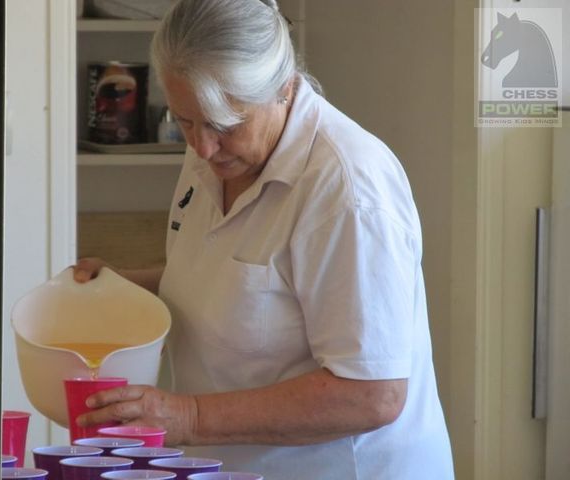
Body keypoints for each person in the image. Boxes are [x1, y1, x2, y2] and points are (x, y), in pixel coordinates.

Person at [73, 0, 455, 478]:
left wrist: (187, 416)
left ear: (284, 87)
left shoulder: (347, 187)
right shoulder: (217, 151)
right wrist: (121, 285)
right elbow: (231, 278)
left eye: (222, 125)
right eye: (184, 120)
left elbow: (371, 394)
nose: (201, 146)